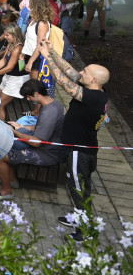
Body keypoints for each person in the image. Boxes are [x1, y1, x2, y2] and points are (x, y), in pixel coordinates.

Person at [40, 39, 110, 233]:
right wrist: (53, 52)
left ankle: (84, 232)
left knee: (79, 189)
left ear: (94, 80)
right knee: (76, 187)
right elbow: (70, 71)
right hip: (81, 149)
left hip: (81, 153)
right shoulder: (96, 90)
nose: (81, 72)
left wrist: (47, 58)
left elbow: (64, 82)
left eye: (85, 72)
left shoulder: (92, 98)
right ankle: (78, 218)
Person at [0, 79, 65, 200]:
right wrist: (20, 126)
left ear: (37, 94)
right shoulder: (54, 103)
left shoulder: (48, 113)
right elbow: (39, 127)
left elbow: (36, 143)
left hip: (47, 153)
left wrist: (14, 132)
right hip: (44, 144)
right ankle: (11, 179)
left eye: (29, 97)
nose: (28, 100)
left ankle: (6, 191)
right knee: (7, 144)